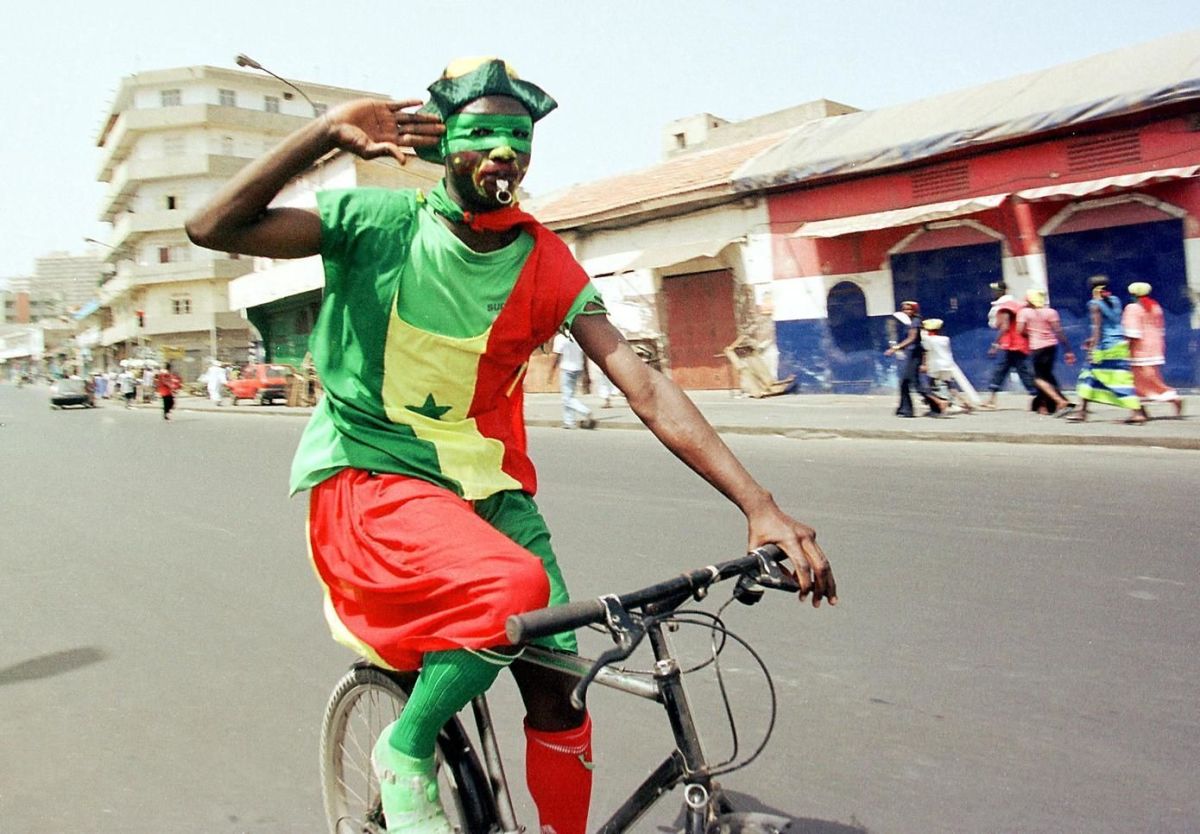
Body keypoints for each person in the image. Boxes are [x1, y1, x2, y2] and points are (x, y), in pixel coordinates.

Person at [185, 57, 836, 834]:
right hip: (373, 476)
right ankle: (405, 748)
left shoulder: (543, 258)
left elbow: (644, 384)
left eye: (518, 137)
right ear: (444, 146)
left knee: (559, 686)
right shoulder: (378, 223)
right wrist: (325, 133)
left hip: (490, 493)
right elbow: (212, 226)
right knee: (514, 589)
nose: (504, 151)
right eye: (482, 134)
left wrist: (760, 505)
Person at [1068, 276, 1142, 424]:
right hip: (1119, 344)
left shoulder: (1094, 304)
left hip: (1106, 346)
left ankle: (1137, 412)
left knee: (1088, 374)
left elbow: (1097, 328)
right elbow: (1113, 322)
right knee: (1119, 378)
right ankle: (1081, 411)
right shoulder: (1115, 300)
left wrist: (1093, 349)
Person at [1122, 281, 1184, 419]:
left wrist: (1124, 347)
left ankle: (1171, 397)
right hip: (1155, 348)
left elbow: (1132, 332)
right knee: (1146, 379)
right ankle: (1140, 410)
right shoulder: (1155, 307)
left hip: (1139, 350)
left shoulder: (1132, 308)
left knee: (1142, 381)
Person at [1016, 289, 1075, 416]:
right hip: (1051, 347)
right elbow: (1058, 331)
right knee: (1047, 375)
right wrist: (1068, 350)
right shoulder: (1051, 312)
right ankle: (1045, 406)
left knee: (1037, 378)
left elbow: (1019, 330)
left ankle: (1060, 401)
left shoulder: (1024, 312)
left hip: (1037, 347)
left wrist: (1030, 333)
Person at [883, 300, 946, 417]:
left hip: (913, 354)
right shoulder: (909, 321)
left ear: (914, 310)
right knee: (910, 383)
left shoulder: (916, 321)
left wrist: (895, 348)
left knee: (908, 382)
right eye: (904, 309)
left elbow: (912, 338)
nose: (906, 311)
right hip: (910, 353)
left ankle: (938, 403)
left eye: (909, 309)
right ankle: (909, 409)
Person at [920, 318, 979, 413]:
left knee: (928, 385)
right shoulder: (945, 339)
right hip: (947, 365)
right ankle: (965, 403)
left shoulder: (928, 340)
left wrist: (924, 364)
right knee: (950, 386)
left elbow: (926, 350)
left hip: (935, 365)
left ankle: (936, 401)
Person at [549, 331, 595, 429]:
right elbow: (584, 355)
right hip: (578, 368)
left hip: (566, 368)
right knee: (569, 395)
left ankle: (585, 411)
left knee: (567, 398)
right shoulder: (578, 336)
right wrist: (586, 372)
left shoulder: (560, 338)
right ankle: (569, 422)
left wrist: (551, 370)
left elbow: (557, 356)